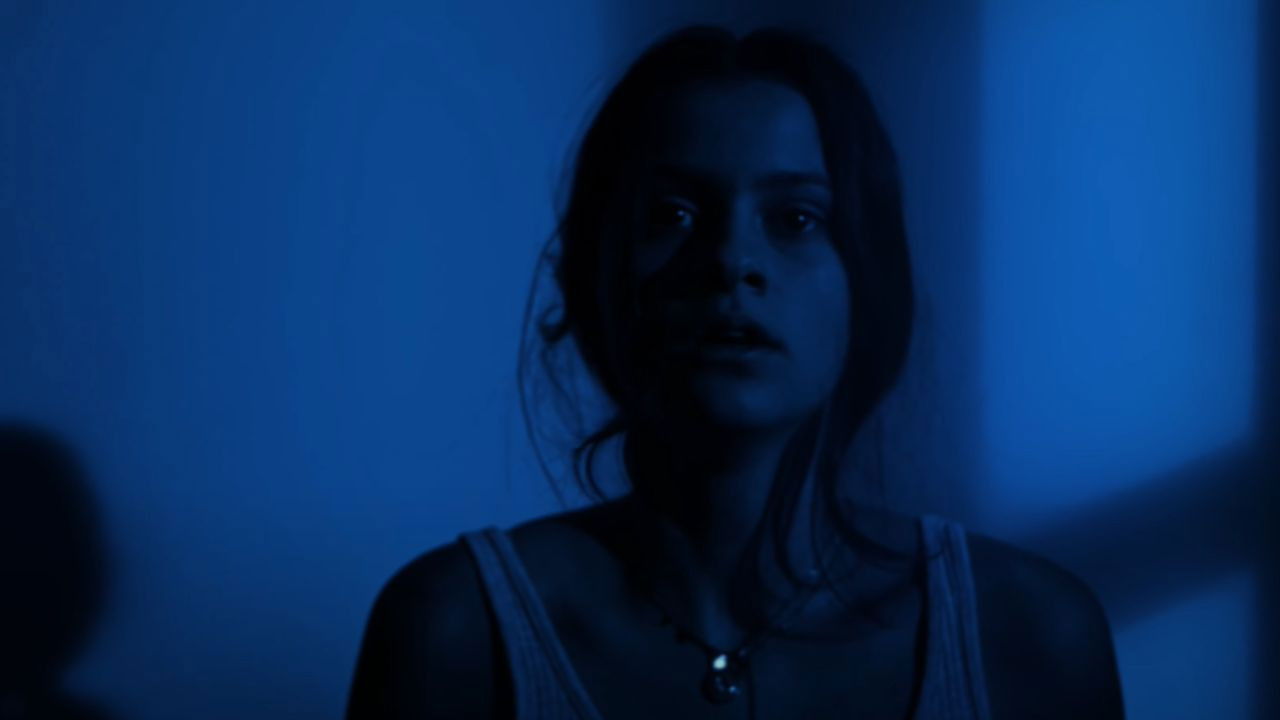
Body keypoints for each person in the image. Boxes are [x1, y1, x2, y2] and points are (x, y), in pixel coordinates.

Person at [345, 25, 1125, 720]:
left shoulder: (1028, 635)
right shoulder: (458, 633)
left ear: (867, 280)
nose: (730, 260)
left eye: (795, 218)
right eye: (672, 214)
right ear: (594, 278)